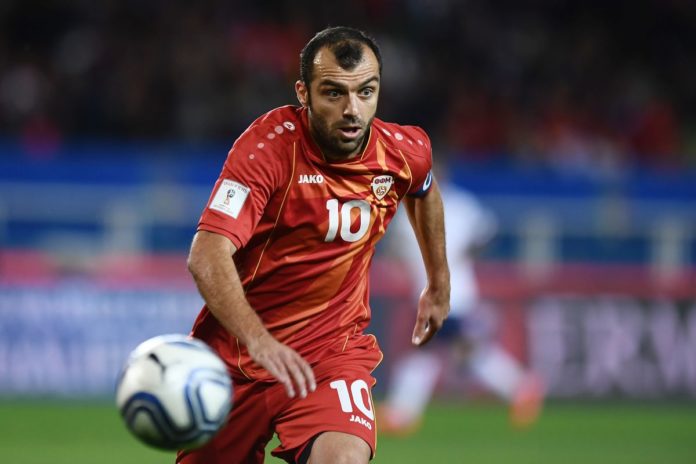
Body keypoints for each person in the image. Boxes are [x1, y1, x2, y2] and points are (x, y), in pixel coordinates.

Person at [178, 27, 450, 464]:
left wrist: (438, 283)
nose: (352, 110)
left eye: (366, 92)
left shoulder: (403, 151)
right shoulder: (267, 149)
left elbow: (424, 189)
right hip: (237, 358)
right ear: (303, 93)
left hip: (330, 354)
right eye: (334, 93)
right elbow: (207, 254)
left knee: (342, 459)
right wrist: (259, 339)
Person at [378, 180, 544, 434]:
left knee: (429, 351)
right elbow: (398, 247)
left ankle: (402, 413)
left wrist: (459, 256)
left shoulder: (458, 204)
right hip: (436, 292)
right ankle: (521, 387)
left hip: (451, 293)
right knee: (463, 352)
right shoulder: (411, 205)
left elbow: (486, 234)